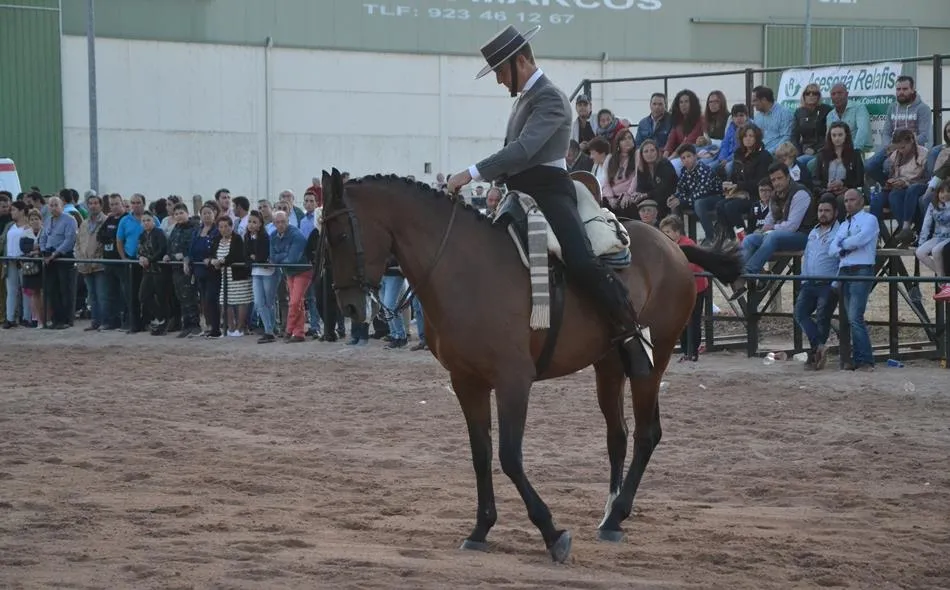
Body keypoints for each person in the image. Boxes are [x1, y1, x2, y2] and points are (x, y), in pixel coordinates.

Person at [446, 24, 653, 376]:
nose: (499, 80)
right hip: (519, 194)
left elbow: (524, 149)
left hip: (550, 191)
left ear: (520, 61)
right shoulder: (524, 100)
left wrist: (471, 172)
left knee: (582, 261)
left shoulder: (551, 98)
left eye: (500, 71)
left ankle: (631, 334)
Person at [794, 196, 840, 371]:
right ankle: (819, 346)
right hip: (810, 282)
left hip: (828, 283)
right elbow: (807, 257)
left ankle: (815, 354)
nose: (823, 214)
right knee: (799, 313)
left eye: (827, 210)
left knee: (822, 317)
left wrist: (836, 283)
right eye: (820, 210)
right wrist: (804, 279)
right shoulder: (813, 232)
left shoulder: (839, 232)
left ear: (835, 213)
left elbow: (841, 260)